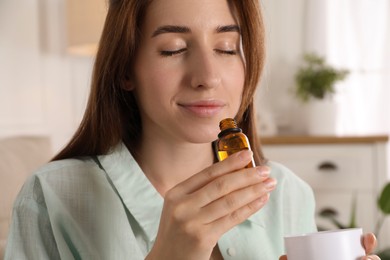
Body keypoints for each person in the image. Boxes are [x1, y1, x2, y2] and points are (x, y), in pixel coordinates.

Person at [5, 0, 380, 259]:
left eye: (227, 47)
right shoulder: (51, 199)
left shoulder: (287, 194)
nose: (207, 77)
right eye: (172, 49)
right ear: (124, 69)